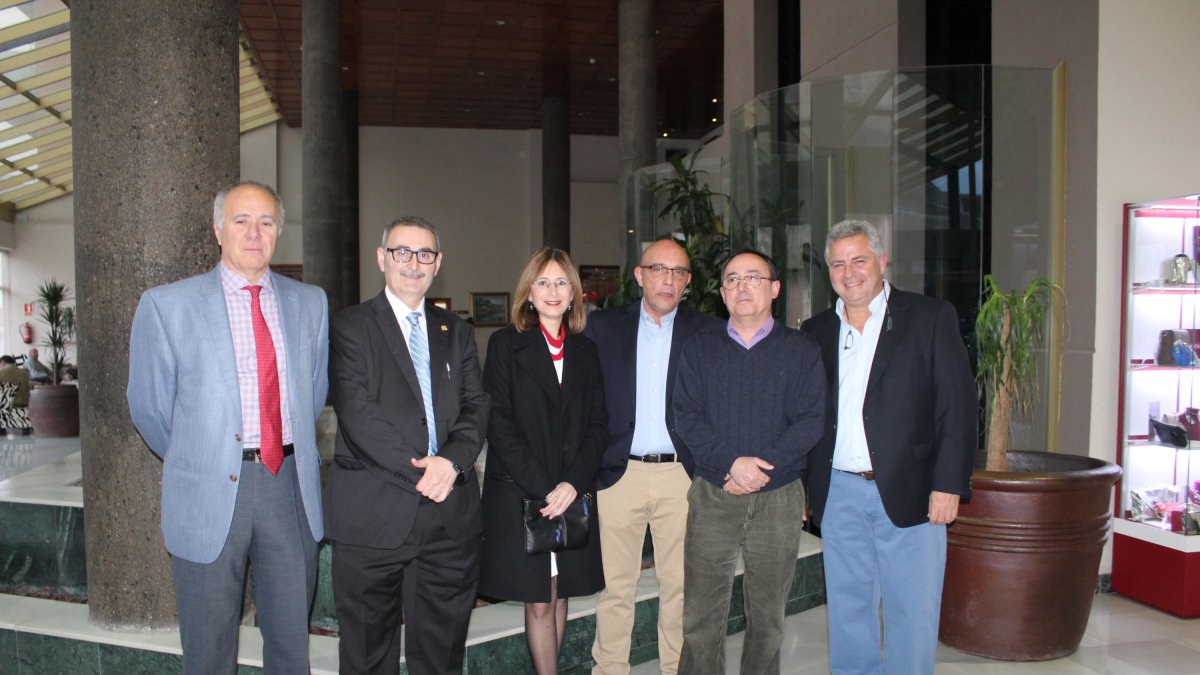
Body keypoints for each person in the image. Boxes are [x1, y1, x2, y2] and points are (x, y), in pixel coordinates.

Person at [127, 181, 328, 675]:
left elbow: (314, 393)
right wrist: (202, 454)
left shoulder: (310, 303)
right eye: (241, 221)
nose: (254, 233)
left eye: (266, 222)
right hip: (209, 493)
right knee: (208, 653)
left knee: (290, 648)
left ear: (278, 231)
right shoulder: (167, 305)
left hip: (288, 488)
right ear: (218, 230)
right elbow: (150, 408)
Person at [800, 219, 975, 674]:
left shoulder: (929, 317)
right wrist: (803, 485)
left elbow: (957, 407)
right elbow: (807, 415)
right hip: (838, 491)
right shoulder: (816, 331)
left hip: (913, 488)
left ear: (881, 261)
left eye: (858, 260)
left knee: (911, 609)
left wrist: (948, 484)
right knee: (848, 608)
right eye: (838, 264)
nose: (849, 272)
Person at [324, 216, 489, 675]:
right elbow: (358, 414)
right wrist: (427, 471)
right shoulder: (349, 327)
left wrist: (451, 463)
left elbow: (477, 406)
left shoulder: (456, 331)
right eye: (402, 252)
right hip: (372, 516)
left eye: (424, 254)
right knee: (366, 657)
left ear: (438, 263)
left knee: (441, 657)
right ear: (382, 258)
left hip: (449, 520)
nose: (413, 263)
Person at [673, 249, 825, 675]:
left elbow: (811, 420)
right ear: (722, 293)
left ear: (774, 289)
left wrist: (760, 469)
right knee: (701, 616)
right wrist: (730, 464)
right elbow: (686, 415)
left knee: (768, 617)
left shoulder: (801, 349)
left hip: (778, 496)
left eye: (753, 277)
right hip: (714, 492)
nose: (742, 286)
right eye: (733, 279)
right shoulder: (699, 349)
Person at [584, 238, 720, 675]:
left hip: (681, 475)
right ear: (639, 276)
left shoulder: (708, 331)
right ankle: (609, 668)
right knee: (615, 588)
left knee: (679, 586)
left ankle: (675, 668)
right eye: (659, 269)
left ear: (688, 282)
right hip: (618, 474)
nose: (668, 280)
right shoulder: (603, 327)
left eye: (678, 272)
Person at [479, 247, 608, 674]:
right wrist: (545, 488)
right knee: (539, 600)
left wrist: (572, 483)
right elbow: (499, 425)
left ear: (573, 294)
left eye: (561, 282)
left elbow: (598, 424)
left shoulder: (586, 351)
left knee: (562, 593)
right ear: (529, 293)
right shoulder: (505, 345)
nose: (553, 291)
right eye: (543, 282)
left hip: (572, 493)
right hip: (524, 493)